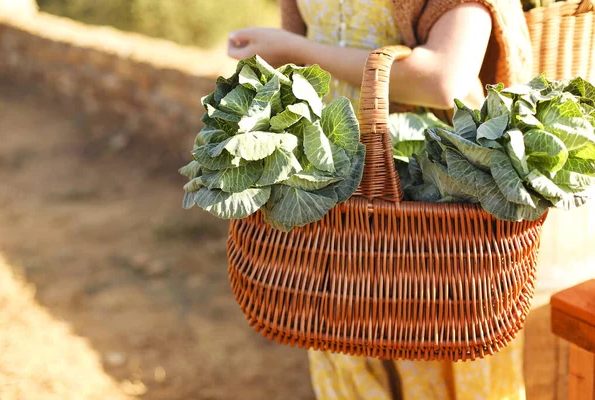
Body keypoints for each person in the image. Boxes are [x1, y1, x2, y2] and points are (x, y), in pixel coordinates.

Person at [227, 0, 533, 399]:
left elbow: (446, 78)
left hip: (424, 185)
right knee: (340, 331)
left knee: (429, 336)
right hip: (329, 177)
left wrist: (294, 49)